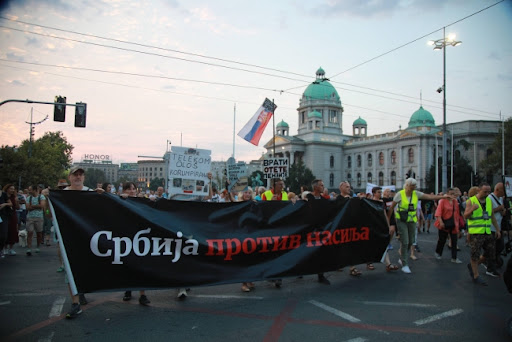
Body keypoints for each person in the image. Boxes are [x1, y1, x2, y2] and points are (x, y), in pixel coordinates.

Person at [387, 178, 453, 274]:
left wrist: (443, 197)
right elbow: (391, 208)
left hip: (412, 221)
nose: (414, 188)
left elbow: (429, 197)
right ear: (408, 186)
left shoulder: (416, 193)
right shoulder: (399, 194)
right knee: (405, 241)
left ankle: (402, 255)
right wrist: (388, 222)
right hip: (402, 221)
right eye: (413, 186)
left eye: (415, 186)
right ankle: (404, 264)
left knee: (411, 242)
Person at [64, 166, 104, 319]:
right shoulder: (62, 194)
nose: (78, 177)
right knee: (69, 268)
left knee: (85, 266)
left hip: (86, 235)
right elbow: (48, 213)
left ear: (84, 178)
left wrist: (103, 196)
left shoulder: (89, 193)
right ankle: (75, 303)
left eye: (80, 175)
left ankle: (81, 291)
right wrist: (47, 198)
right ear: (70, 177)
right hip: (67, 235)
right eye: (75, 174)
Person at [120, 182, 151, 306]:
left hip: (140, 238)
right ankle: (128, 290)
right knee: (128, 263)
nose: (132, 191)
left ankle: (142, 294)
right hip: (126, 237)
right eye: (129, 189)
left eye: (133, 189)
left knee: (141, 264)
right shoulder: (120, 200)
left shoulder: (140, 201)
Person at [464, 182, 501, 286]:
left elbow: (492, 216)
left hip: (487, 231)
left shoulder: (489, 201)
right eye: (485, 191)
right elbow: (466, 216)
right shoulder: (471, 201)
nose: (487, 193)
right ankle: (476, 276)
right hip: (476, 232)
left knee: (491, 253)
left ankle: (472, 266)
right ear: (479, 190)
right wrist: (472, 209)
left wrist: (497, 230)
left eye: (489, 191)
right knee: (475, 254)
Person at [262, 178, 287, 287]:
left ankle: (278, 276)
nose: (282, 186)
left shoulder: (285, 194)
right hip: (269, 228)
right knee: (271, 252)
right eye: (280, 184)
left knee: (280, 252)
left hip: (281, 227)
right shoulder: (266, 194)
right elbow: (261, 210)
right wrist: (270, 203)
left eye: (283, 184)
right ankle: (271, 274)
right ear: (274, 185)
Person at [305, 179, 331, 285]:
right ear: (315, 187)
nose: (323, 187)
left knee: (321, 252)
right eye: (321, 185)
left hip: (320, 230)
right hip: (308, 229)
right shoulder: (308, 198)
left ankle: (321, 275)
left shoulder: (324, 200)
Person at [337, 181, 363, 277]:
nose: (349, 188)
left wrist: (359, 200)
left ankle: (352, 268)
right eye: (347, 187)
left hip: (351, 227)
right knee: (341, 247)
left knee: (351, 246)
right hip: (341, 227)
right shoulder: (338, 198)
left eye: (349, 187)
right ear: (341, 188)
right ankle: (339, 263)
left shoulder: (351, 198)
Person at [434, 188, 462, 263]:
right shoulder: (443, 201)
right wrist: (441, 222)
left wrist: (458, 224)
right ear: (447, 193)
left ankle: (454, 257)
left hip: (453, 223)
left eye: (453, 194)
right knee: (442, 240)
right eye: (451, 193)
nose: (452, 195)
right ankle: (438, 252)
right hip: (444, 223)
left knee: (454, 241)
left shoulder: (455, 202)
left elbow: (457, 213)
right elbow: (438, 213)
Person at [487, 182, 506, 277]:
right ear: (497, 190)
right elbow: (486, 212)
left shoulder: (500, 199)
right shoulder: (490, 198)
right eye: (503, 190)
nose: (504, 193)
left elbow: (501, 211)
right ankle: (490, 267)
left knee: (500, 246)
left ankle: (491, 261)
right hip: (491, 227)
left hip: (498, 226)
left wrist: (503, 211)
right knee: (492, 248)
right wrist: (498, 209)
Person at [26, 184, 47, 256]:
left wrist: (32, 206)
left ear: (34, 190)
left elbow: (42, 206)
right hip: (30, 217)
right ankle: (29, 248)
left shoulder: (41, 196)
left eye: (30, 189)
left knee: (39, 233)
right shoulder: (29, 198)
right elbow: (28, 207)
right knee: (30, 232)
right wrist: (37, 206)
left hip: (39, 217)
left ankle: (38, 246)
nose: (29, 191)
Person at [3, 184, 19, 256]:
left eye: (13, 189)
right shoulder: (3, 196)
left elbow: (18, 207)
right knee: (5, 231)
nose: (12, 190)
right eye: (11, 189)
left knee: (12, 231)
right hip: (5, 215)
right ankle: (5, 248)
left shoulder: (14, 197)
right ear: (7, 189)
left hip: (13, 215)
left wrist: (17, 201)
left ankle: (11, 248)